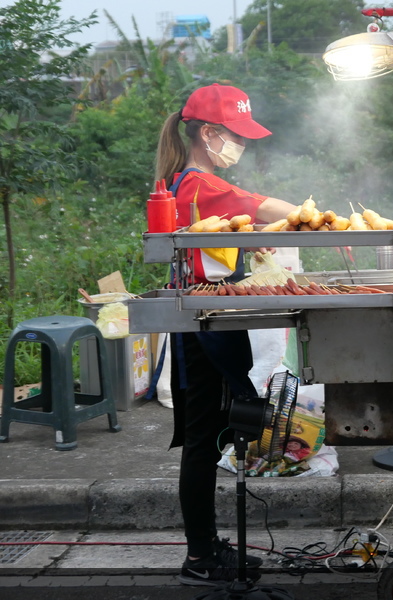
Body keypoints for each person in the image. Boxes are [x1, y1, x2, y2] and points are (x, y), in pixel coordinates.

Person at [154, 83, 299, 586]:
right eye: (236, 136)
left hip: (210, 320)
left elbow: (233, 236)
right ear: (210, 133)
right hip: (204, 328)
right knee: (202, 441)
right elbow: (264, 207)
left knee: (211, 436)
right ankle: (199, 556)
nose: (241, 145)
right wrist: (324, 218)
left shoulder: (194, 181)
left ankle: (208, 544)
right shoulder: (197, 182)